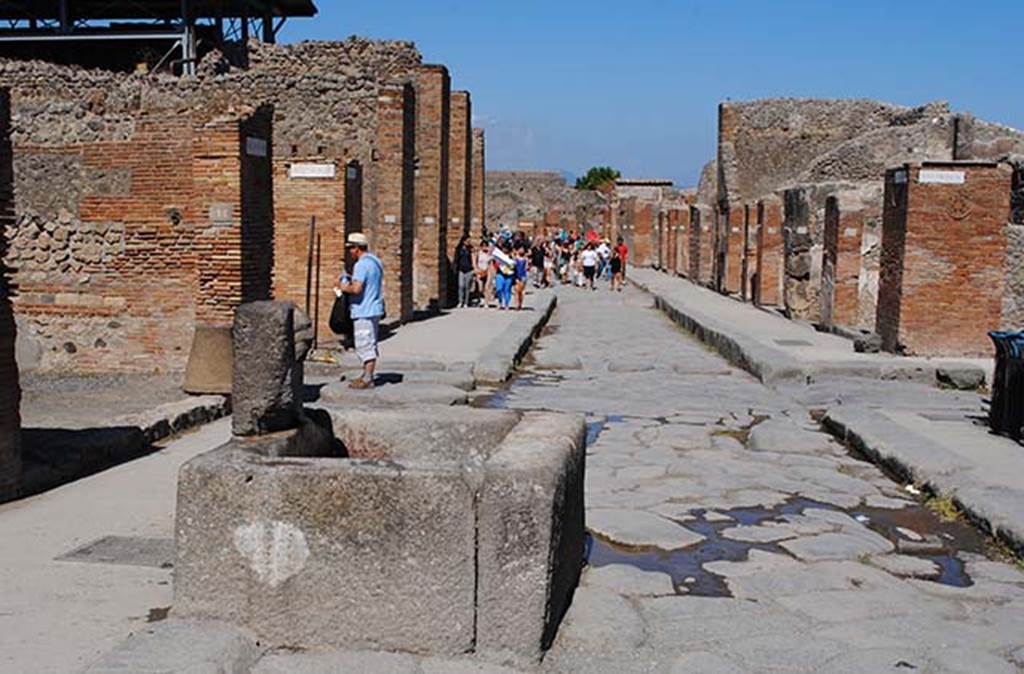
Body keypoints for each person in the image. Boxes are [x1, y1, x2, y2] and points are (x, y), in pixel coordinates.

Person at [335, 232, 384, 389]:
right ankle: (366, 375)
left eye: (351, 248)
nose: (349, 252)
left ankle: (368, 378)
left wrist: (343, 286)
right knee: (370, 341)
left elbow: (357, 289)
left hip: (364, 310)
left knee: (364, 344)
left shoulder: (361, 265)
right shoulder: (375, 261)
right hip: (374, 308)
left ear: (357, 248)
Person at [492, 241, 515, 310]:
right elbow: (494, 263)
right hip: (500, 273)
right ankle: (500, 301)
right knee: (499, 288)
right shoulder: (499, 256)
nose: (504, 250)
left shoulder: (511, 256)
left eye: (506, 248)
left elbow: (514, 265)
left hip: (509, 275)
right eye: (503, 248)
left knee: (507, 290)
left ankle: (506, 304)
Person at [454, 235, 475, 308]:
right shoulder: (459, 249)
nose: (468, 242)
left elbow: (473, 259)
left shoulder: (470, 249)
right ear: (463, 241)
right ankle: (460, 301)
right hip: (461, 269)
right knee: (460, 286)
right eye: (467, 240)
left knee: (467, 287)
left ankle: (466, 302)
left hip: (469, 269)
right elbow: (456, 259)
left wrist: (474, 268)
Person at [475, 240, 493, 306]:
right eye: (483, 246)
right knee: (480, 288)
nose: (484, 247)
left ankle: (486, 302)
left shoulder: (489, 254)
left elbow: (490, 263)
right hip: (480, 270)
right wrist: (476, 269)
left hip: (487, 271)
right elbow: (475, 261)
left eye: (486, 246)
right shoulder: (479, 253)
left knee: (487, 287)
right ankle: (480, 298)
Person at [513, 245, 529, 310]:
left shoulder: (525, 259)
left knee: (521, 291)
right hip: (516, 275)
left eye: (522, 249)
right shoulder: (515, 258)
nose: (521, 250)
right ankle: (516, 304)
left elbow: (526, 268)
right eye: (520, 249)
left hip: (523, 276)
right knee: (516, 290)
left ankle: (520, 303)